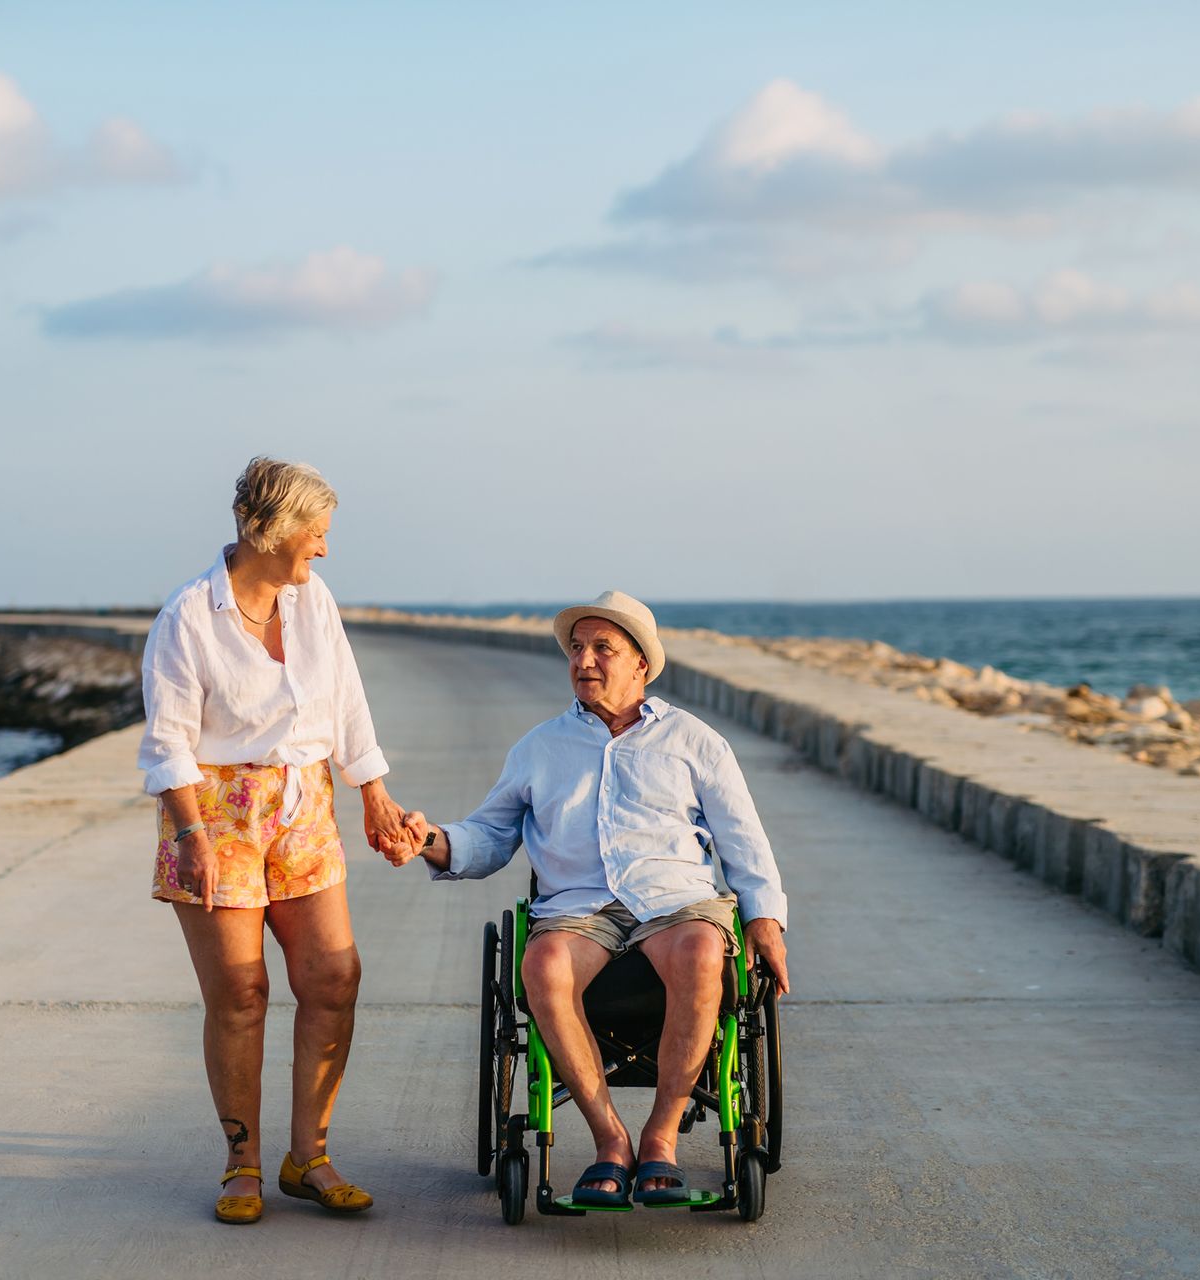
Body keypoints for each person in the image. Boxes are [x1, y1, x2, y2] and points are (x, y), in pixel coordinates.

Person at [390, 590, 790, 1208]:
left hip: (674, 903)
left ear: (641, 664)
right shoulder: (539, 747)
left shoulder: (694, 741)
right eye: (577, 648)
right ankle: (611, 1142)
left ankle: (661, 1139)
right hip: (577, 910)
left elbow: (743, 839)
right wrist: (430, 840)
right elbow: (490, 835)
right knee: (542, 964)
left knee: (701, 953)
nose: (585, 660)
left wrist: (765, 921)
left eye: (604, 647)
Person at [139, 457, 413, 1225]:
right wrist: (191, 833)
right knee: (241, 993)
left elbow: (346, 697)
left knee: (334, 975)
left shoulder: (311, 599)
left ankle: (309, 1157)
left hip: (304, 802)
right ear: (272, 531)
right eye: (316, 534)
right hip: (213, 811)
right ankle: (242, 1163)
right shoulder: (189, 617)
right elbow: (167, 743)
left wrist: (374, 791)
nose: (323, 549)